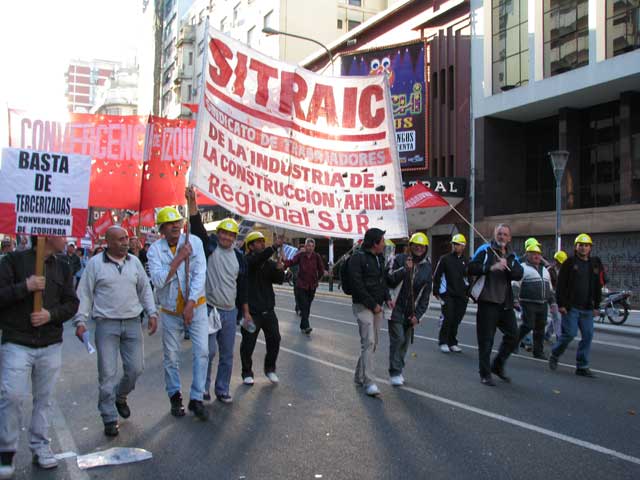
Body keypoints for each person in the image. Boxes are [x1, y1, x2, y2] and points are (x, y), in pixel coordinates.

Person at [0, 236, 79, 477]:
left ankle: (40, 446)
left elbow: (71, 303)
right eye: (61, 233)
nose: (65, 238)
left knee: (44, 399)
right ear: (45, 234)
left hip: (49, 343)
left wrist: (50, 315)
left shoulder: (64, 266)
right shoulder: (12, 261)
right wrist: (26, 287)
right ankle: (6, 452)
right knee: (11, 396)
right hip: (17, 341)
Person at [73, 226, 158, 437]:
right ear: (108, 242)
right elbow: (84, 293)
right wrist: (80, 321)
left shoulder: (135, 262)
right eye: (120, 239)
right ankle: (109, 417)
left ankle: (121, 396)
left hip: (132, 323)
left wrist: (152, 313)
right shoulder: (95, 264)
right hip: (106, 325)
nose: (125, 242)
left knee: (136, 368)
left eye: (126, 238)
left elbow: (145, 289)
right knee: (107, 374)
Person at [187, 188, 249, 404]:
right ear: (219, 233)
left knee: (227, 355)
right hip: (208, 309)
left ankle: (222, 389)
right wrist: (192, 204)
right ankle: (203, 388)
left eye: (230, 234)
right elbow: (197, 227)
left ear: (234, 237)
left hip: (230, 312)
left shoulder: (240, 258)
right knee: (208, 352)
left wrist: (245, 312)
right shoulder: (210, 247)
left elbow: (242, 287)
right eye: (223, 232)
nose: (226, 236)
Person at [147, 207, 209, 420]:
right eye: (169, 223)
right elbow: (157, 280)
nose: (175, 225)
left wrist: (191, 303)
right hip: (170, 311)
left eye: (177, 221)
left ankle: (197, 398)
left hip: (197, 306)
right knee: (171, 357)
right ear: (162, 228)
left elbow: (200, 273)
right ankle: (175, 396)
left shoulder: (195, 243)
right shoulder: (154, 250)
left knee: (202, 352)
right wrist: (179, 259)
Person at [468, 224, 523, 386]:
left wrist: (508, 266)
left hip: (505, 304)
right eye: (499, 234)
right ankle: (485, 374)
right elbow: (471, 268)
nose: (502, 237)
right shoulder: (485, 250)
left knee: (514, 335)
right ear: (494, 235)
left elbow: (518, 274)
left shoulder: (512, 256)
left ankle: (497, 365)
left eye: (505, 234)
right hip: (487, 302)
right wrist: (491, 267)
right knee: (486, 340)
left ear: (509, 238)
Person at [549, 234, 602, 378]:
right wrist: (561, 304)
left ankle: (582, 366)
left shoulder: (594, 264)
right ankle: (555, 353)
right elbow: (560, 285)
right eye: (581, 245)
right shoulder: (569, 263)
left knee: (588, 335)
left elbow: (598, 286)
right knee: (570, 334)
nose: (583, 248)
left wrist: (597, 305)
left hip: (587, 309)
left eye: (586, 245)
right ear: (576, 247)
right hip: (571, 307)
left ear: (590, 247)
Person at [349, 228, 392, 397]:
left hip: (378, 306)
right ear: (375, 243)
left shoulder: (380, 258)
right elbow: (356, 286)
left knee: (371, 343)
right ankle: (369, 382)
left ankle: (359, 376)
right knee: (368, 342)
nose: (384, 243)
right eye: (382, 240)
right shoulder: (357, 258)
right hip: (363, 306)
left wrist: (387, 297)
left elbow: (383, 281)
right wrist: (372, 304)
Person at [385, 232, 432, 386]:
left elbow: (426, 296)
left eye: (422, 246)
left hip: (411, 311)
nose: (418, 248)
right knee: (398, 339)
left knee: (405, 342)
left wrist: (417, 316)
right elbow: (389, 279)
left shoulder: (427, 267)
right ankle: (395, 371)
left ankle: (399, 368)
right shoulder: (398, 259)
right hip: (395, 307)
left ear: (425, 248)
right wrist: (405, 269)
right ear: (410, 246)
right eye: (415, 245)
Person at [240, 232, 285, 385]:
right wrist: (273, 247)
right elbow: (257, 259)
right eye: (258, 242)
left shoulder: (268, 263)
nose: (262, 244)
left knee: (275, 340)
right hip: (251, 313)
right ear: (251, 246)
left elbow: (279, 280)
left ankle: (270, 369)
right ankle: (247, 372)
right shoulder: (247, 261)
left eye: (263, 242)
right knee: (248, 344)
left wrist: (279, 268)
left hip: (268, 311)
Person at [512, 243, 556, 360]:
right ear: (527, 255)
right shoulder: (522, 268)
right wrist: (515, 300)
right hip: (528, 302)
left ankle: (538, 351)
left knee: (540, 328)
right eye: (533, 254)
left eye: (538, 254)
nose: (536, 256)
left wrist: (552, 302)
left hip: (542, 304)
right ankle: (513, 342)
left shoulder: (545, 271)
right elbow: (515, 285)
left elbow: (550, 288)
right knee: (528, 325)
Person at [433, 233, 469, 353]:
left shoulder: (466, 260)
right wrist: (436, 290)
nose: (455, 246)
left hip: (461, 295)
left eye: (458, 244)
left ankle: (452, 342)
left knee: (456, 319)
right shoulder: (445, 259)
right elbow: (437, 275)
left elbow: (468, 278)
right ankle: (443, 342)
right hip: (447, 294)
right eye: (454, 244)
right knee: (448, 317)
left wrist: (468, 293)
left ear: (463, 246)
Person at [284, 238, 325, 335]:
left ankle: (303, 326)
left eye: (312, 246)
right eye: (308, 246)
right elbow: (291, 262)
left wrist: (317, 279)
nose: (310, 248)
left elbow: (321, 269)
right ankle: (306, 326)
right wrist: (284, 260)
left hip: (312, 286)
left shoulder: (316, 256)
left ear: (314, 247)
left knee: (308, 306)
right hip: (301, 285)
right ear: (305, 246)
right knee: (304, 305)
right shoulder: (300, 256)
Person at [545, 250, 567, 342]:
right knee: (557, 317)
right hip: (552, 297)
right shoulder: (549, 271)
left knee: (556, 317)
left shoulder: (565, 271)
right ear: (556, 261)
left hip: (561, 297)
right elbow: (547, 285)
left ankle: (547, 335)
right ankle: (559, 337)